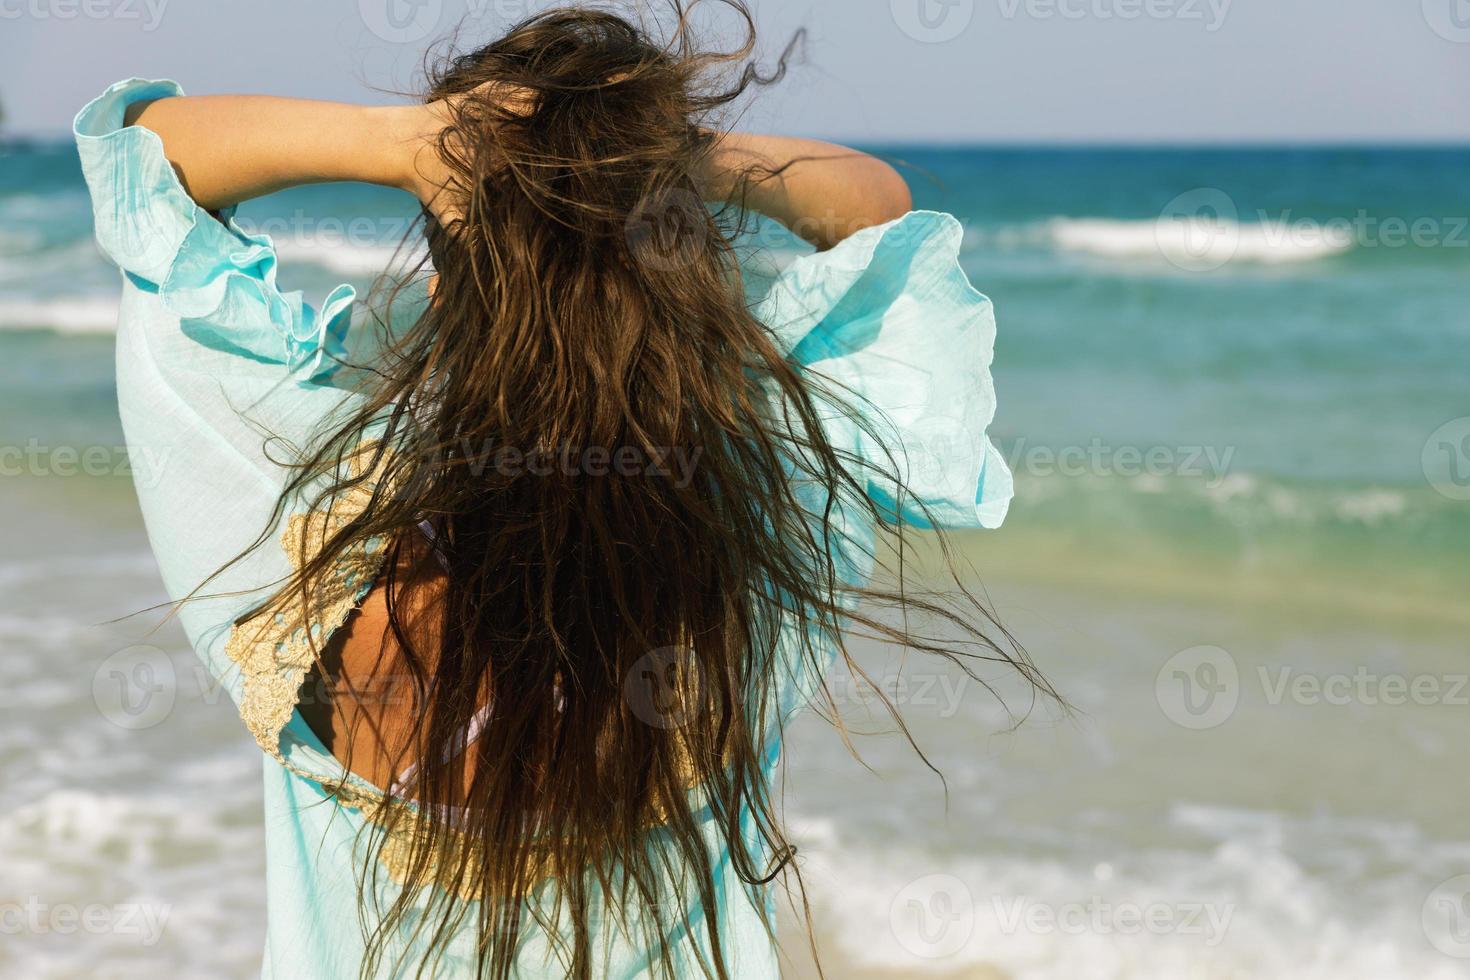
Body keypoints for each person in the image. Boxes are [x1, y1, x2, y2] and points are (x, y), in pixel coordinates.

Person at [73, 3, 1041, 977]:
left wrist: (416, 144)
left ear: (444, 278)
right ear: (685, 263)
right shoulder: (761, 528)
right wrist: (668, 158)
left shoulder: (293, 535)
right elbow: (878, 212)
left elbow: (146, 167)